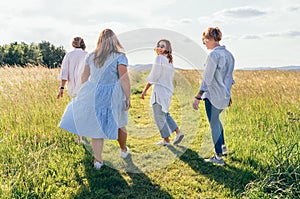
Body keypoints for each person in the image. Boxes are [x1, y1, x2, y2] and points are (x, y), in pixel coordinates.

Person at [59, 29, 131, 169]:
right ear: (114, 40)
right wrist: (128, 97)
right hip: (113, 94)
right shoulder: (120, 56)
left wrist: (84, 92)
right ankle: (123, 150)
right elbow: (124, 79)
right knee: (120, 122)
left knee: (96, 126)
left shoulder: (91, 56)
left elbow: (84, 77)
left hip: (94, 92)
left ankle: (98, 161)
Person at [192, 27, 235, 166]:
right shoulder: (229, 55)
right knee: (216, 121)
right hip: (223, 95)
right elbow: (229, 79)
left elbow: (207, 79)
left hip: (212, 95)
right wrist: (228, 95)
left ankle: (218, 157)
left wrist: (198, 96)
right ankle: (222, 148)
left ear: (210, 39)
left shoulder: (213, 55)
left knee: (214, 124)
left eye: (204, 40)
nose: (203, 43)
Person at [141, 39, 184, 146]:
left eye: (162, 46)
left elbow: (154, 76)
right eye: (158, 45)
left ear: (167, 49)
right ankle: (178, 132)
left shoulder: (159, 58)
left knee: (158, 116)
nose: (159, 48)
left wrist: (145, 90)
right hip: (167, 91)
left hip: (160, 91)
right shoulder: (169, 60)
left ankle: (166, 140)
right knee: (164, 113)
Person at [57, 36, 88, 144]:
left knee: (76, 112)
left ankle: (79, 138)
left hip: (73, 88)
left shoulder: (68, 55)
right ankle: (83, 137)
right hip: (85, 88)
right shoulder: (87, 55)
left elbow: (64, 73)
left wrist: (61, 88)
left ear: (73, 44)